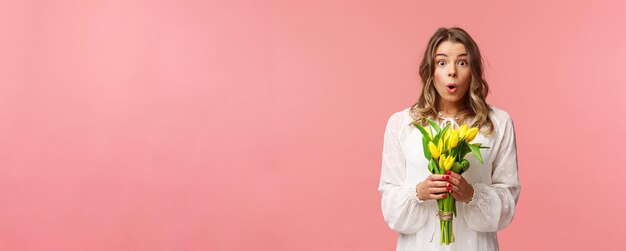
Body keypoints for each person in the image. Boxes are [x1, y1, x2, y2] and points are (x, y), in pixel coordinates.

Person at [378, 27, 521, 250]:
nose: (452, 72)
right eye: (442, 63)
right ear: (431, 70)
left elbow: (508, 203)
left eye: (462, 62)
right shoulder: (402, 124)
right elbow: (390, 207)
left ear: (473, 70)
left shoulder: (497, 123)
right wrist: (419, 192)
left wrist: (471, 194)